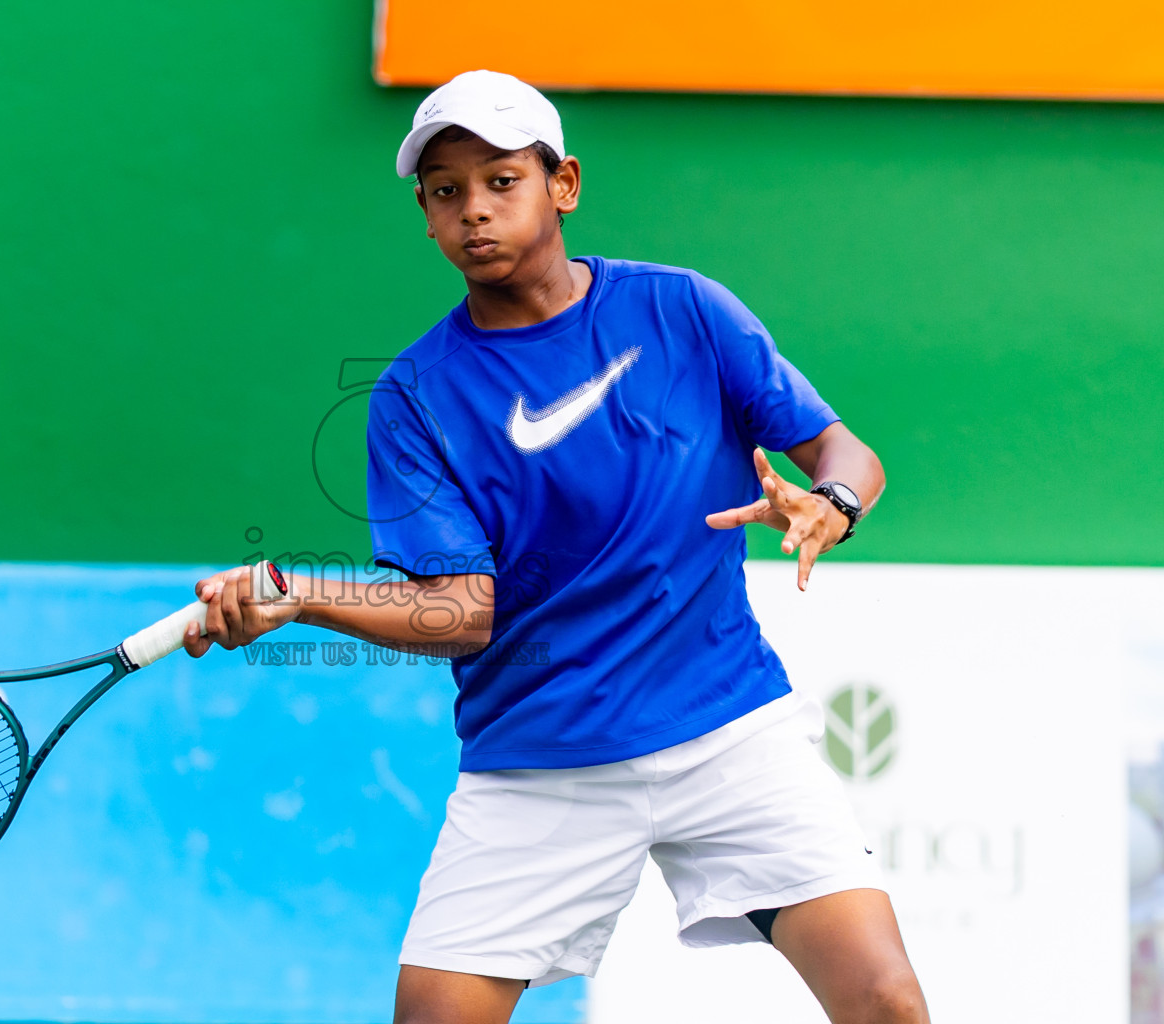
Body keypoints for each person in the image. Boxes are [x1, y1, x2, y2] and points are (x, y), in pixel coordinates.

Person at [183, 69, 929, 1024]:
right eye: (446, 192)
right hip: (540, 763)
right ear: (425, 216)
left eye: (501, 180)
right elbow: (462, 611)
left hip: (729, 731)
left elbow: (841, 449)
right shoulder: (416, 397)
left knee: (886, 1000)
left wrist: (832, 500)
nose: (474, 212)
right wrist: (299, 595)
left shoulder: (683, 311)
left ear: (563, 184)